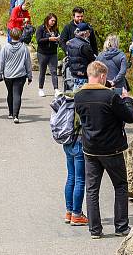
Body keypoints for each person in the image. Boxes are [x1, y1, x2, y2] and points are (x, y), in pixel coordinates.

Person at [74, 61, 133, 240]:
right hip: (111, 148)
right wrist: (127, 100)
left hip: (90, 148)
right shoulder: (110, 97)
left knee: (92, 189)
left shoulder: (79, 96)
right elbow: (129, 117)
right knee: (120, 186)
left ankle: (95, 230)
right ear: (102, 76)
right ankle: (121, 226)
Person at [51, 90, 88, 226]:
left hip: (67, 142)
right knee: (80, 179)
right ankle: (76, 214)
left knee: (71, 177)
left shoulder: (67, 102)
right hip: (78, 142)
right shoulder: (79, 104)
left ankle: (69, 212)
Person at [0, 27, 33, 124]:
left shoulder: (5, 48)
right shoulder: (24, 48)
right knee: (17, 94)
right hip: (20, 75)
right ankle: (16, 115)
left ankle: (10, 112)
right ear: (20, 36)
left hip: (8, 75)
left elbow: (1, 62)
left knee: (10, 93)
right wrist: (30, 76)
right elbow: (28, 63)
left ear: (10, 36)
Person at [36, 13, 61, 97]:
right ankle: (40, 89)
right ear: (47, 20)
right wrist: (49, 39)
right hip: (42, 53)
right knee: (42, 71)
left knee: (54, 71)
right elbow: (38, 40)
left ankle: (56, 89)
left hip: (53, 53)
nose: (53, 22)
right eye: (52, 20)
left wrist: (58, 39)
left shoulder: (56, 29)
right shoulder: (41, 28)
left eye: (55, 21)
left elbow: (58, 38)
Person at [65, 23, 96, 89]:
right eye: (89, 31)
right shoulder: (84, 46)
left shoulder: (70, 42)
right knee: (83, 96)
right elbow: (92, 59)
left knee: (75, 95)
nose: (89, 33)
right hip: (83, 75)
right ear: (85, 33)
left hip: (72, 74)